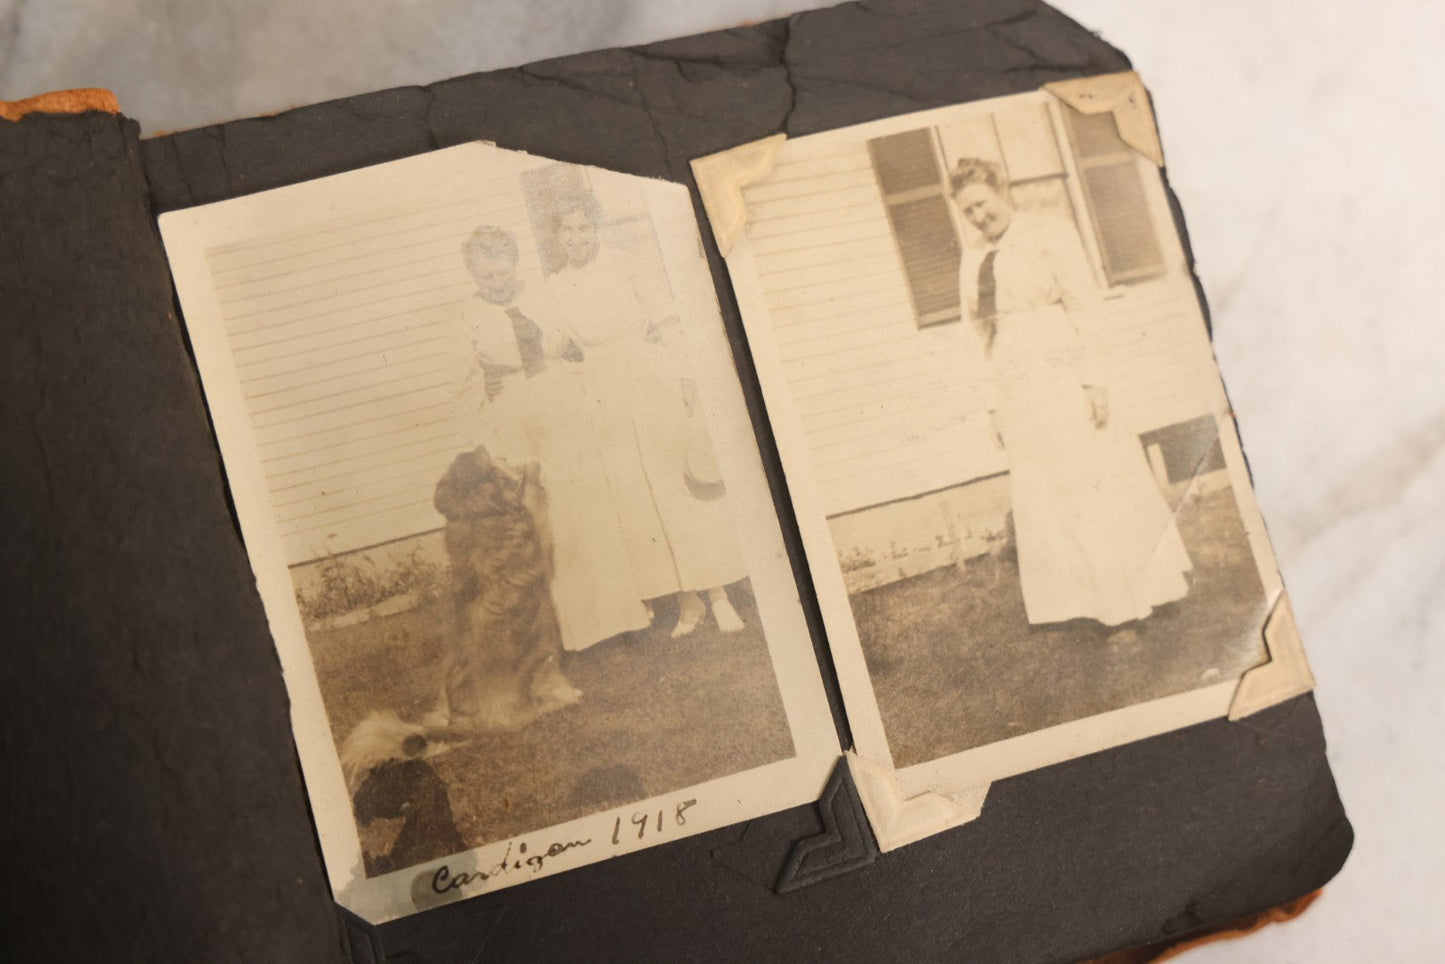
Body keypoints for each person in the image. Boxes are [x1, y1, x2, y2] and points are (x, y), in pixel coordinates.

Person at [948, 158, 1192, 633]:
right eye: (967, 212)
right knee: (1047, 488)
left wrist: (1095, 379)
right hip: (1015, 385)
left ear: (1002, 189)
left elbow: (1086, 306)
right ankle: (1079, 602)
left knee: (1094, 477)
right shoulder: (973, 257)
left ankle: (1139, 594)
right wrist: (991, 406)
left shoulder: (1048, 232)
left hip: (1062, 371)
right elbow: (975, 333)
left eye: (981, 204)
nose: (978, 218)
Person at [542, 188, 748, 640]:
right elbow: (553, 346)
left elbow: (668, 321)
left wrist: (687, 376)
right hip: (601, 389)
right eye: (567, 230)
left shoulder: (625, 263)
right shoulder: (555, 286)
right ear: (556, 238)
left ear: (596, 228)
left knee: (677, 486)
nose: (576, 238)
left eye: (583, 227)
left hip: (648, 375)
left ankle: (718, 595)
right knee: (636, 499)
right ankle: (685, 602)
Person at [451, 225, 655, 652]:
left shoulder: (543, 294)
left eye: (503, 272)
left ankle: (625, 612)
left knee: (593, 503)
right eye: (486, 277)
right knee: (549, 518)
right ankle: (580, 628)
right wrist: (484, 443)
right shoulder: (466, 316)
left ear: (514, 264)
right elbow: (466, 387)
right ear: (473, 275)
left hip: (564, 400)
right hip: (513, 412)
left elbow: (581, 338)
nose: (497, 283)